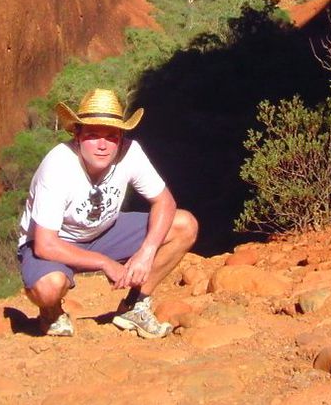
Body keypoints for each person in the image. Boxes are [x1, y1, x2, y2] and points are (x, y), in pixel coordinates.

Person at [17, 88, 198, 338]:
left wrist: (147, 252)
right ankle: (51, 312)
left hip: (105, 231)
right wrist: (105, 263)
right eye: (93, 135)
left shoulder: (130, 152)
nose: (102, 145)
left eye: (111, 136)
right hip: (56, 242)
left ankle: (135, 305)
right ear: (77, 135)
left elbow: (165, 202)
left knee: (184, 225)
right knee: (48, 288)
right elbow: (45, 245)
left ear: (121, 138)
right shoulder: (58, 165)